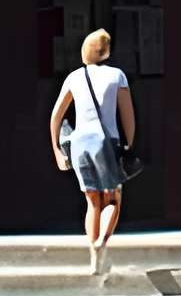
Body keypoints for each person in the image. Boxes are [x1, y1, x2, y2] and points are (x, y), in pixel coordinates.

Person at [49, 26, 136, 272]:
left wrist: (57, 149)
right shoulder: (116, 75)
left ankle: (94, 258)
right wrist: (128, 144)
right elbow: (127, 115)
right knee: (112, 200)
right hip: (105, 141)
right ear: (106, 51)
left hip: (78, 142)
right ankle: (101, 242)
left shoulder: (74, 78)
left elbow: (56, 115)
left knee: (92, 201)